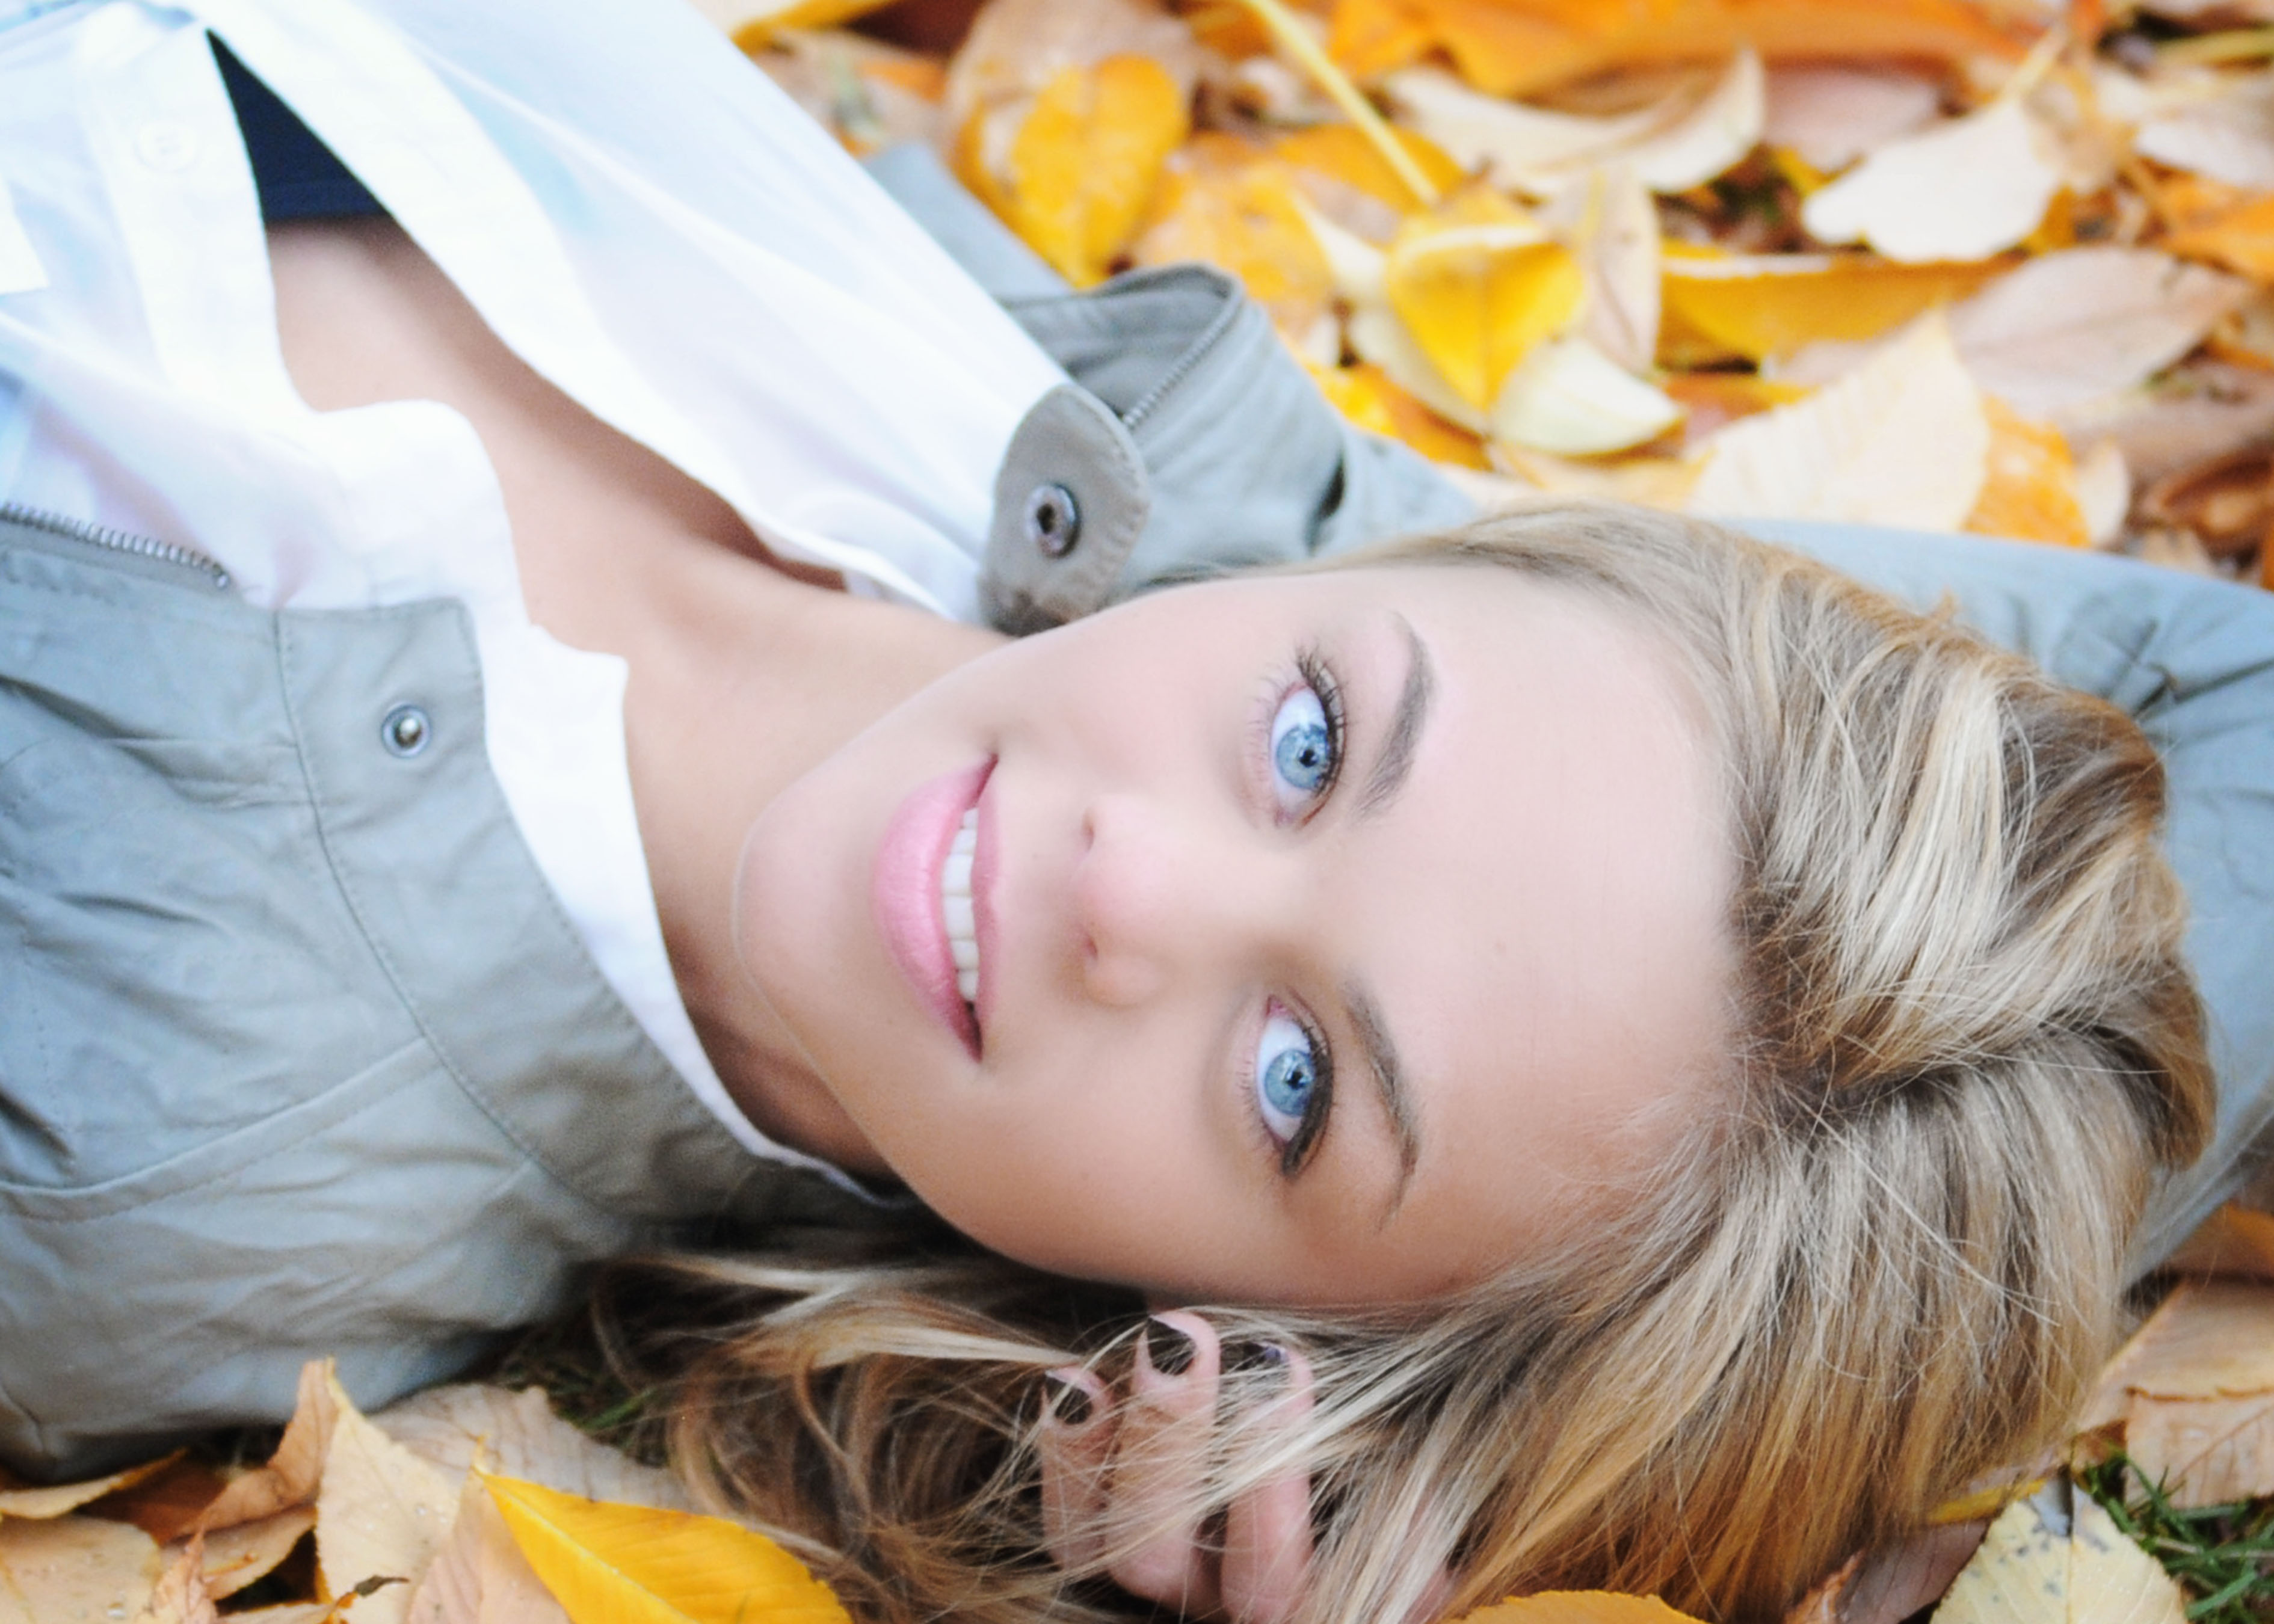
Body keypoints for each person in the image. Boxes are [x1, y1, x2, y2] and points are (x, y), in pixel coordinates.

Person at [0, 0, 2263, 1620]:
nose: (1126, 882)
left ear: (1270, 1346)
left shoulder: (147, 1136)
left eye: (1292, 1084)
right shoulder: (1249, 495)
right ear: (1436, 567)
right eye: (1312, 745)